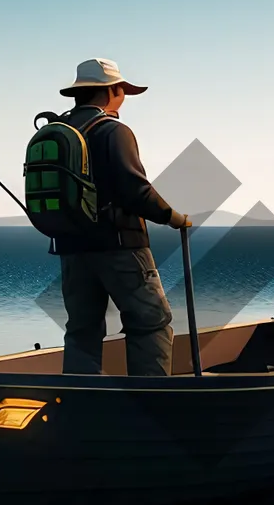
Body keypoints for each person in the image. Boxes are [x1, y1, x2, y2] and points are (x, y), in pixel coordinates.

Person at [51, 58, 191, 376]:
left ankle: (81, 401)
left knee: (82, 331)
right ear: (112, 90)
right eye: (122, 90)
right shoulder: (113, 131)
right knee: (150, 322)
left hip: (71, 249)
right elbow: (135, 190)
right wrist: (173, 217)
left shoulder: (62, 133)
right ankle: (152, 403)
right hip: (120, 246)